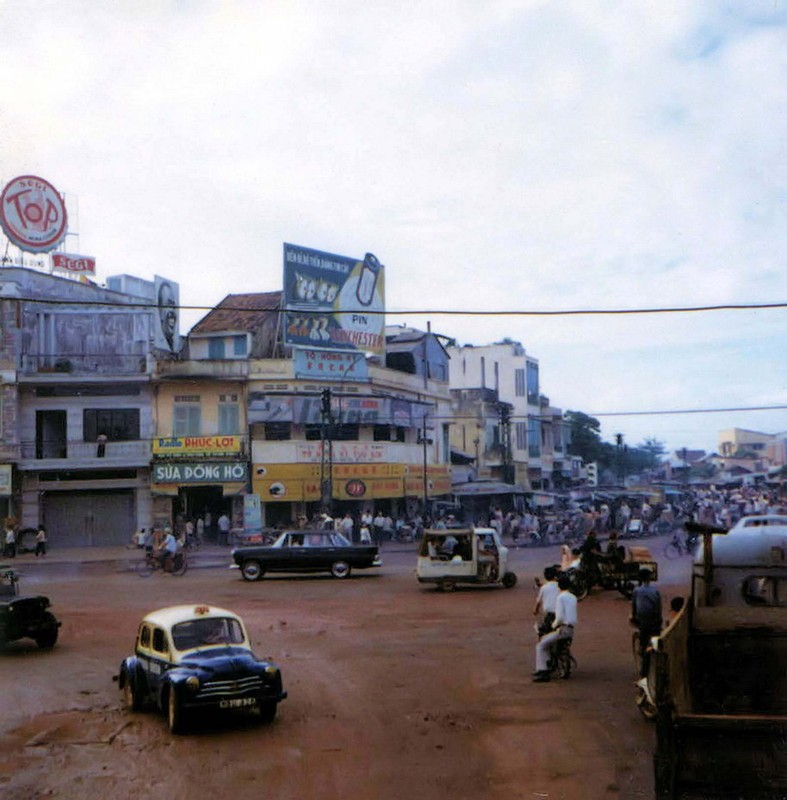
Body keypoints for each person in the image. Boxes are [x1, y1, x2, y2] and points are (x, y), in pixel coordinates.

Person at [533, 574, 578, 682]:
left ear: (559, 586)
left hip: (562, 628)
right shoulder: (573, 597)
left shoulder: (560, 597)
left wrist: (554, 625)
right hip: (571, 629)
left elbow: (560, 617)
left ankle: (543, 670)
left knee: (541, 645)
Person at [630, 567, 663, 680]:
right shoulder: (655, 590)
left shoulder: (637, 591)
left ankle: (644, 673)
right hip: (655, 620)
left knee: (644, 644)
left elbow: (634, 607)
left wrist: (633, 617)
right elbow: (659, 608)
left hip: (643, 620)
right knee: (656, 641)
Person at [533, 566, 560, 636]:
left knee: (542, 631)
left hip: (548, 612)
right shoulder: (560, 586)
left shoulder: (544, 588)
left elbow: (538, 602)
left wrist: (536, 610)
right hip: (560, 612)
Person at [157, 279, 178, 352]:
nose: (172, 311)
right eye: (168, 305)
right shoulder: (159, 343)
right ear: (160, 311)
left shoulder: (175, 345)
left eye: (173, 306)